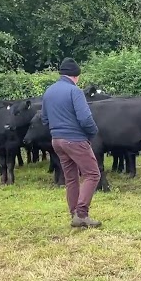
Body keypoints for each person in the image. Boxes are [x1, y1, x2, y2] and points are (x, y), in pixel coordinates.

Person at [41, 57, 102, 228]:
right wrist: (93, 133)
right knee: (92, 174)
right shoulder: (74, 91)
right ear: (76, 76)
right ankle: (81, 214)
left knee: (71, 178)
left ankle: (73, 213)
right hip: (74, 139)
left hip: (57, 141)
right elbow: (85, 118)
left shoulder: (49, 91)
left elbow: (44, 118)